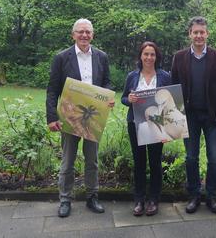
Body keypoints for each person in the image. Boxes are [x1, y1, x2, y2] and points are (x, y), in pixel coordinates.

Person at [46, 18, 114, 218]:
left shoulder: (101, 57)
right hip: (70, 117)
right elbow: (52, 90)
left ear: (92, 35)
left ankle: (92, 197)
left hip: (93, 116)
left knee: (92, 161)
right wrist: (51, 117)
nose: (84, 35)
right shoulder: (61, 58)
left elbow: (108, 82)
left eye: (88, 32)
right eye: (80, 32)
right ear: (73, 34)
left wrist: (109, 97)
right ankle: (65, 199)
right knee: (67, 161)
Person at [171, 16, 216, 214]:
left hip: (213, 117)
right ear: (190, 34)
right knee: (191, 158)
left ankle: (211, 196)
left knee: (215, 159)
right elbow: (174, 88)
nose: (199, 36)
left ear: (207, 34)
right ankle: (194, 195)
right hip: (189, 117)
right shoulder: (179, 57)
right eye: (195, 32)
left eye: (202, 32)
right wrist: (174, 118)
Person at [121, 41, 171, 216]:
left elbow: (170, 103)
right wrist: (130, 99)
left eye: (152, 54)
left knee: (155, 163)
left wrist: (168, 130)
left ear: (156, 57)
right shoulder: (132, 76)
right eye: (146, 54)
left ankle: (153, 200)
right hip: (136, 125)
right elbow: (123, 98)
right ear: (140, 56)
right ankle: (139, 199)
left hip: (157, 126)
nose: (149, 57)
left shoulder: (165, 76)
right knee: (139, 163)